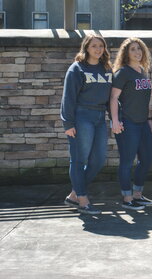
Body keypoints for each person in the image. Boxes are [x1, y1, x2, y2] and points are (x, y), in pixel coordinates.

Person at [61, 34, 112, 215]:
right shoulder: (77, 69)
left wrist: (115, 118)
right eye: (94, 46)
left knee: (98, 160)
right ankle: (83, 199)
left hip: (99, 117)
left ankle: (74, 194)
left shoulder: (106, 69)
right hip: (82, 116)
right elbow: (68, 98)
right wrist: (68, 123)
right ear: (86, 48)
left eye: (101, 46)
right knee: (79, 159)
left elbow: (110, 99)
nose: (98, 49)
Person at [110, 37, 152, 211]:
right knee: (127, 161)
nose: (137, 52)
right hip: (127, 123)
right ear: (126, 53)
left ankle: (137, 194)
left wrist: (150, 119)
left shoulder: (143, 71)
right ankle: (127, 197)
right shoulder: (123, 72)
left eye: (139, 49)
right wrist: (115, 121)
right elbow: (113, 98)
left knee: (147, 158)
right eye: (133, 49)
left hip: (143, 123)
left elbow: (146, 100)